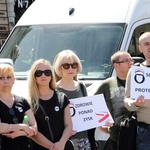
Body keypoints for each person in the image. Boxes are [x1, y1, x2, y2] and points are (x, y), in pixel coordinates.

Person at [53, 49, 98, 150]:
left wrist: (102, 120)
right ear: (59, 68)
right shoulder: (54, 89)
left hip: (83, 138)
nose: (70, 69)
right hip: (63, 140)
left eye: (74, 65)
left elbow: (88, 111)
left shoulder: (81, 86)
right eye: (66, 66)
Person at [27, 58, 73, 150]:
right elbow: (33, 132)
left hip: (63, 146)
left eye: (47, 72)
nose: (43, 75)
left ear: (51, 76)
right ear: (34, 77)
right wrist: (52, 147)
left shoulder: (62, 98)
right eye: (39, 73)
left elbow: (68, 125)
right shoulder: (29, 102)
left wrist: (61, 144)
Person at [94, 50, 134, 150]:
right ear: (116, 65)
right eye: (126, 60)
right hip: (117, 137)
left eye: (131, 60)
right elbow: (94, 105)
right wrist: (102, 126)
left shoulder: (140, 81)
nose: (130, 63)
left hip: (139, 135)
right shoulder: (107, 84)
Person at [0, 58, 37, 150]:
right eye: (1, 78)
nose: (6, 81)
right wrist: (22, 127)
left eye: (9, 77)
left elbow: (34, 128)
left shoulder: (22, 101)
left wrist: (20, 133)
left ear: (14, 79)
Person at [124, 32, 150, 150]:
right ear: (140, 48)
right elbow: (127, 100)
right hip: (145, 131)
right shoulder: (135, 71)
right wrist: (135, 104)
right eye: (146, 44)